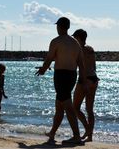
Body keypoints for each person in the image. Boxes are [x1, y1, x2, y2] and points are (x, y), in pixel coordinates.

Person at [36, 17, 86, 145]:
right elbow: (81, 64)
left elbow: (49, 59)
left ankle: (77, 136)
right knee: (59, 106)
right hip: (72, 76)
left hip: (61, 76)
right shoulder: (76, 43)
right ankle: (52, 133)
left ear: (59, 27)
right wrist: (82, 80)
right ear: (68, 27)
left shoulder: (56, 41)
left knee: (67, 106)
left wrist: (43, 69)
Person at [72, 29, 99, 142]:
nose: (73, 39)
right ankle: (90, 136)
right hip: (94, 79)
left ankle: (87, 129)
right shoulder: (91, 49)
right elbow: (94, 66)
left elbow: (76, 66)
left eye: (75, 38)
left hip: (85, 79)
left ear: (79, 38)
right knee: (89, 109)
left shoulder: (78, 49)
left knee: (75, 107)